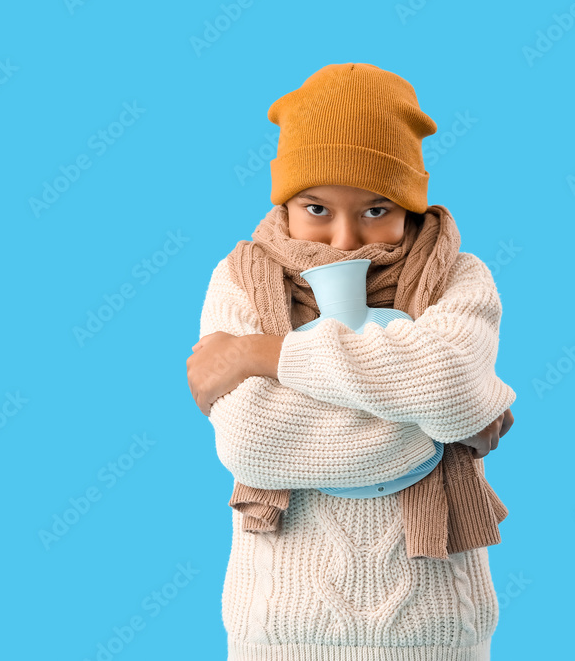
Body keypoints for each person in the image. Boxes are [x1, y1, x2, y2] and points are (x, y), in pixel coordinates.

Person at [187, 62, 516, 660]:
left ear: (410, 207)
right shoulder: (241, 281)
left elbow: (452, 386)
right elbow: (254, 442)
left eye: (374, 209)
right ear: (286, 202)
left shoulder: (458, 280)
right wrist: (422, 429)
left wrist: (264, 354)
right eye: (317, 208)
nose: (344, 241)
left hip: (437, 634)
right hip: (280, 634)